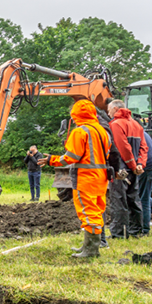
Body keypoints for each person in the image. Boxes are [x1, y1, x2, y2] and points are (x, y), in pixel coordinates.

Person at [38, 100, 111, 258]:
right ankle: (89, 247)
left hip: (86, 178)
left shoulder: (80, 131)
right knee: (96, 212)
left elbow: (71, 157)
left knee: (87, 212)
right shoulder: (102, 130)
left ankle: (90, 251)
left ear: (75, 115)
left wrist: (52, 160)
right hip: (101, 177)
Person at [108, 100, 148, 238]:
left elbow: (122, 147)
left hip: (121, 169)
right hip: (135, 169)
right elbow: (144, 147)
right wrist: (139, 165)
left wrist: (131, 164)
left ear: (115, 109)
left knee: (119, 200)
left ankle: (119, 233)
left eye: (109, 110)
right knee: (134, 199)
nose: (108, 113)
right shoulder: (137, 125)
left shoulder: (115, 124)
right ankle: (136, 230)